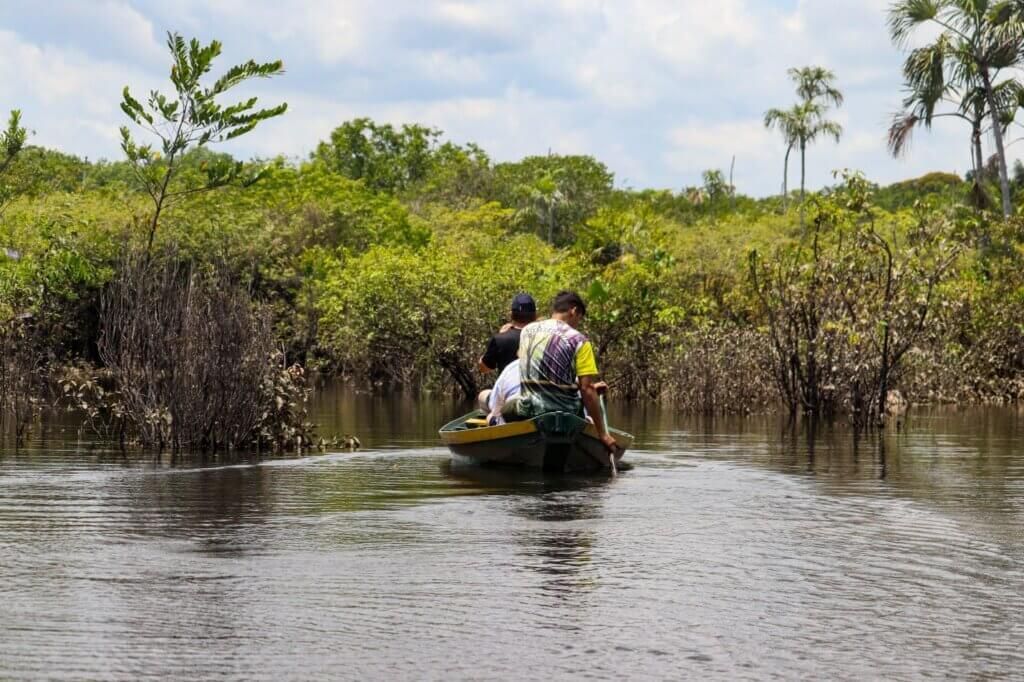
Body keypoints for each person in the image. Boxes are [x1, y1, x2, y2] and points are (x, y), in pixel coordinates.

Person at [501, 291, 618, 454]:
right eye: (579, 318)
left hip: (529, 409)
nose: (577, 324)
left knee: (505, 409)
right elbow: (587, 389)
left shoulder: (527, 331)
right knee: (586, 411)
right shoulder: (580, 341)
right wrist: (603, 434)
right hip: (567, 414)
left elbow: (538, 370)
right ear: (574, 311)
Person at [478, 293, 537, 375]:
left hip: (509, 387)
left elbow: (484, 368)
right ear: (535, 316)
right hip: (537, 387)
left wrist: (500, 335)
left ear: (511, 315)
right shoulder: (544, 338)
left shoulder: (500, 339)